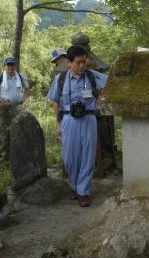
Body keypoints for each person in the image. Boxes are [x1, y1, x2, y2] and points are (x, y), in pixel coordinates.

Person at [47, 45, 107, 207]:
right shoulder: (60, 80)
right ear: (69, 62)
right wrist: (58, 123)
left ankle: (83, 191)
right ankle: (73, 185)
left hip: (88, 119)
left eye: (84, 62)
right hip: (68, 120)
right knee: (69, 157)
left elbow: (111, 84)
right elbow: (55, 101)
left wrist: (101, 99)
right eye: (78, 63)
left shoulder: (92, 76)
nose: (82, 66)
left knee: (88, 156)